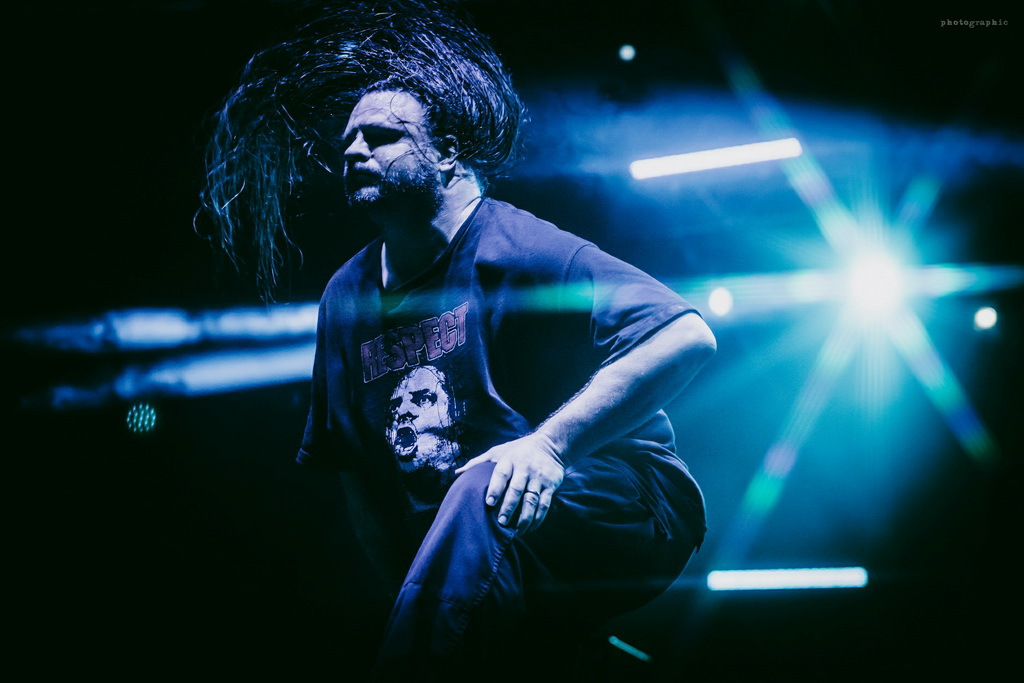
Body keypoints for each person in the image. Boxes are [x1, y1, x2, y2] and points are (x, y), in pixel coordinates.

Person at [199, 1, 716, 678]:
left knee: (485, 484)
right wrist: (424, 598)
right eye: (348, 139)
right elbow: (360, 481)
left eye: (381, 136)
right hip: (492, 533)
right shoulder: (346, 298)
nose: (352, 150)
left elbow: (686, 335)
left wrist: (549, 446)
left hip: (627, 505)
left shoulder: (515, 246)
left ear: (447, 152)